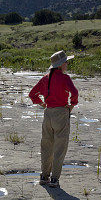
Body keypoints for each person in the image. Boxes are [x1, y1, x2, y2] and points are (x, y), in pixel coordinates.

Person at [29, 50, 78, 188]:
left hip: (48, 113)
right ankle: (54, 179)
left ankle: (44, 176)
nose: (67, 64)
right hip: (61, 113)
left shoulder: (46, 78)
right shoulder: (65, 78)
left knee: (46, 146)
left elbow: (32, 94)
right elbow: (74, 93)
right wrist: (71, 106)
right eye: (66, 62)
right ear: (61, 64)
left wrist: (42, 103)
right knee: (60, 148)